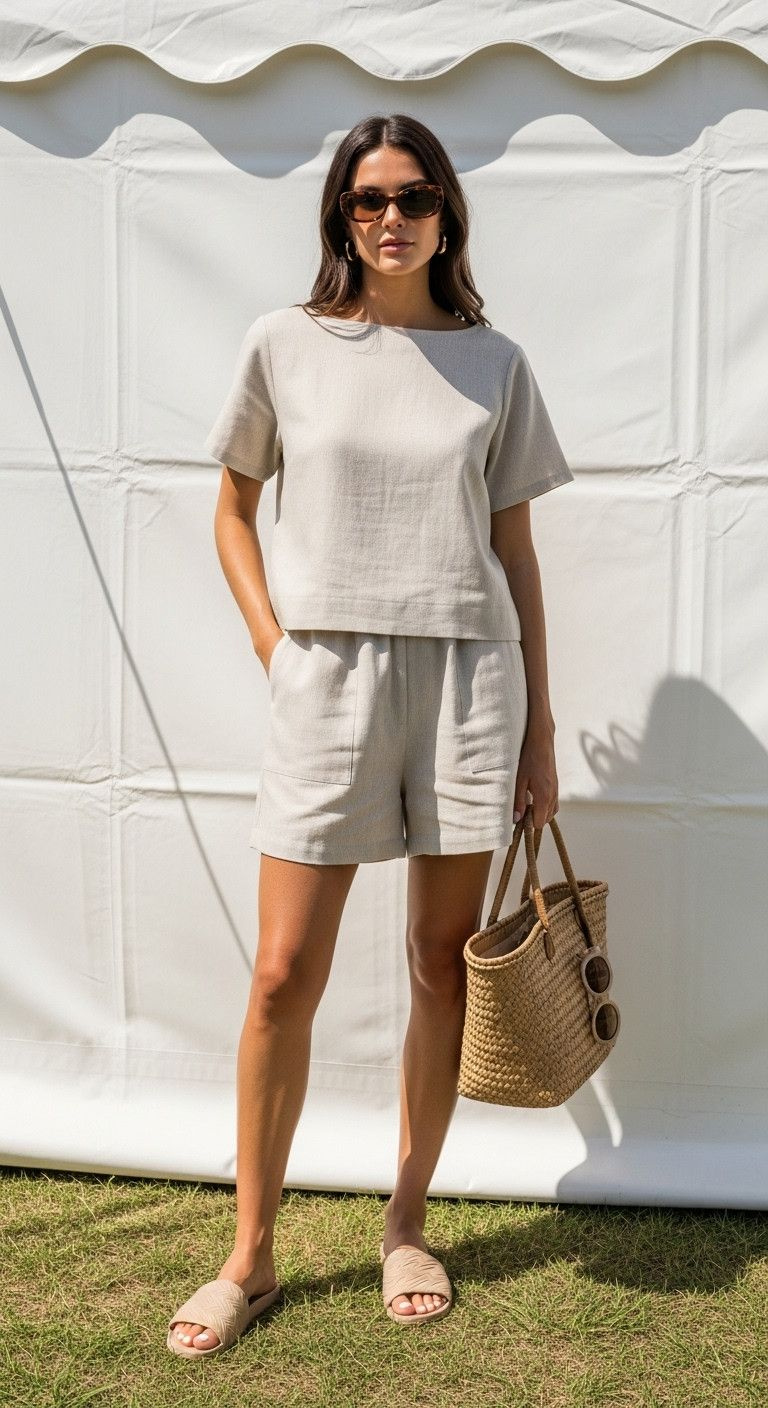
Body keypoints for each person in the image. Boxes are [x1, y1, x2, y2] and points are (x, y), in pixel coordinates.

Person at [167, 111, 574, 1357]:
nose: (388, 218)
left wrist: (541, 728)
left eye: (410, 196)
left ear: (448, 211)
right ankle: (252, 1253)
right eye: (363, 199)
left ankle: (408, 1217)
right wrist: (273, 644)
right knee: (284, 970)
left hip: (469, 678)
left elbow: (516, 553)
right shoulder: (284, 344)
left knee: (438, 960)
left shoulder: (494, 363)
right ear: (339, 216)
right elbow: (232, 511)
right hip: (328, 673)